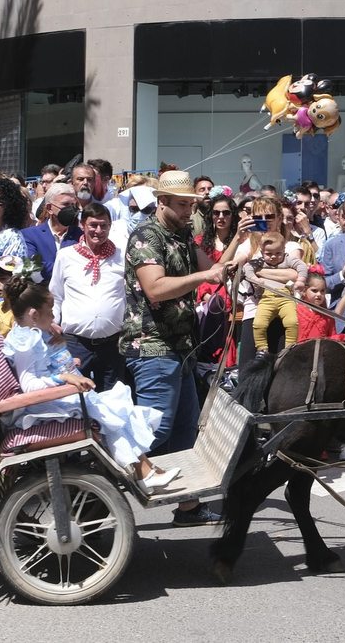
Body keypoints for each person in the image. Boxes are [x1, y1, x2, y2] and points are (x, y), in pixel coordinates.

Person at [0, 277, 178, 490]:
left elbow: (46, 365)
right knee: (106, 412)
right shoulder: (24, 342)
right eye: (50, 312)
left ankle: (146, 468)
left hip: (53, 401)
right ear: (34, 315)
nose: (54, 316)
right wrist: (63, 378)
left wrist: (59, 349)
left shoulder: (33, 335)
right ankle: (143, 473)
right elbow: (29, 385)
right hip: (40, 410)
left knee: (115, 407)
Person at [121, 170, 226, 527]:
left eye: (192, 205)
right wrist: (205, 278)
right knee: (155, 429)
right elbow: (156, 289)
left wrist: (240, 256)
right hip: (152, 347)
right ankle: (97, 494)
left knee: (184, 432)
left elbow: (212, 269)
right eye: (183, 205)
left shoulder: (181, 232)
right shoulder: (145, 235)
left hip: (180, 347)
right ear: (161, 202)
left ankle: (189, 508)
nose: (189, 212)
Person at [48, 202, 128, 392]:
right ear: (82, 225)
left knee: (111, 401)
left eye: (104, 225)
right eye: (93, 225)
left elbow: (130, 295)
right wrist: (52, 322)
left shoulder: (121, 256)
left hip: (112, 345)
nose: (98, 230)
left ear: (110, 226)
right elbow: (56, 295)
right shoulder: (66, 256)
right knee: (73, 398)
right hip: (75, 344)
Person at [241, 232, 308, 361]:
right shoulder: (259, 262)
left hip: (286, 298)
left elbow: (301, 266)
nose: (273, 257)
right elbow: (246, 268)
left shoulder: (288, 259)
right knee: (259, 323)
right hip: (266, 298)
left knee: (292, 322)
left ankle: (290, 348)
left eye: (278, 253)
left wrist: (301, 280)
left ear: (284, 250)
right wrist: (254, 279)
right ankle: (262, 349)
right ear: (261, 252)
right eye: (269, 254)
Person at [21, 182, 81, 278]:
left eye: (73, 205)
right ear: (49, 208)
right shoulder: (30, 235)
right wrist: (72, 268)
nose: (71, 209)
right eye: (65, 204)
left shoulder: (81, 236)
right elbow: (33, 267)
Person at [296, 271, 338, 341]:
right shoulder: (296, 310)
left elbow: (332, 338)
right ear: (304, 291)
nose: (319, 294)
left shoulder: (328, 316)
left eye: (322, 291)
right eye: (314, 291)